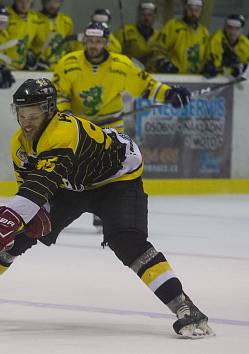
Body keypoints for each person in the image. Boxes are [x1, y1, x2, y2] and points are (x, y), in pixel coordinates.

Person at [0, 78, 215, 339]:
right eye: (22, 115)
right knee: (17, 236)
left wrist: (13, 217)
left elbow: (40, 184)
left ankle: (185, 306)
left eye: (33, 115)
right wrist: (20, 222)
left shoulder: (63, 131)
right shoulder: (18, 145)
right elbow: (30, 189)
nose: (27, 122)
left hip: (117, 180)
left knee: (128, 242)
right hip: (72, 185)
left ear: (49, 110)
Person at [54, 21, 190, 231]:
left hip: (110, 125)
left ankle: (104, 212)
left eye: (99, 41)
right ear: (85, 41)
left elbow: (146, 85)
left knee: (109, 169)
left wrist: (169, 93)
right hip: (79, 126)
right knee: (67, 167)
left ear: (107, 42)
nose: (94, 45)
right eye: (90, 41)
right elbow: (59, 93)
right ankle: (54, 211)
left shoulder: (121, 64)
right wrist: (67, 115)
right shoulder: (68, 63)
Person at [148, 0, 209, 74]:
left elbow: (207, 57)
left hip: (194, 80)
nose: (193, 13)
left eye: (197, 10)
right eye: (190, 9)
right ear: (185, 9)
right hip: (174, 78)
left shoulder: (204, 33)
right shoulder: (172, 26)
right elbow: (158, 49)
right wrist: (163, 63)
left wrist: (208, 66)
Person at [202, 14, 249, 78]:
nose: (233, 32)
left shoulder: (246, 44)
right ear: (225, 27)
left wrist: (240, 68)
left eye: (237, 28)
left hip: (235, 78)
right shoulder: (216, 40)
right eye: (230, 28)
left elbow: (246, 64)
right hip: (217, 78)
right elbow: (214, 64)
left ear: (242, 29)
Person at [31, 0, 74, 71]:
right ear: (43, 2)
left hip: (61, 69)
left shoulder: (66, 21)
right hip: (39, 70)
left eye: (56, 1)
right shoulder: (34, 19)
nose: (52, 5)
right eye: (49, 1)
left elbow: (70, 48)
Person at [114, 1, 159, 66]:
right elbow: (114, 51)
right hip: (128, 69)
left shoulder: (159, 36)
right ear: (138, 15)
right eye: (143, 14)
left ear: (154, 17)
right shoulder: (125, 31)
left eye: (150, 15)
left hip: (154, 74)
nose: (146, 18)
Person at [5, 0, 45, 70]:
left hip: (22, 68)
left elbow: (35, 42)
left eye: (28, 2)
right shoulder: (5, 15)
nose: (24, 5)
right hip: (4, 66)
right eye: (21, 1)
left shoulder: (34, 18)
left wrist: (34, 55)